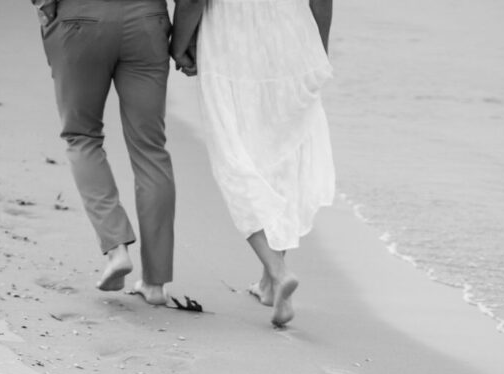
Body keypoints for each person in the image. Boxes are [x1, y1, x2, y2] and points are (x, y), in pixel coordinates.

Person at [171, 0, 335, 327]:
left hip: (230, 40)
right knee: (283, 150)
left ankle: (277, 270)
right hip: (292, 33)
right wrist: (318, 47)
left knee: (234, 157)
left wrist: (180, 45)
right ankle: (268, 285)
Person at [32, 0, 176, 305]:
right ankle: (155, 283)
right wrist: (186, 41)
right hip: (146, 21)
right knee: (151, 150)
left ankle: (116, 249)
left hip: (79, 17)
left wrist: (45, 9)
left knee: (81, 137)